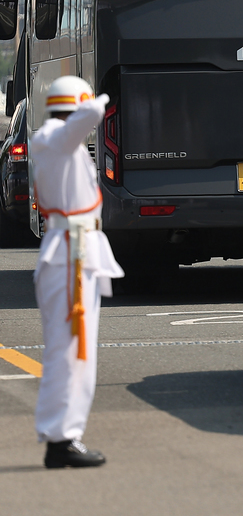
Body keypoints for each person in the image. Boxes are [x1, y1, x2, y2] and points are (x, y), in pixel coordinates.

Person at [30, 76, 124, 469]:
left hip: (78, 252)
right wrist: (101, 97)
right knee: (69, 352)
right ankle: (60, 437)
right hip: (69, 255)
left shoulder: (58, 140)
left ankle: (67, 434)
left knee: (76, 351)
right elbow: (85, 118)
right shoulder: (53, 137)